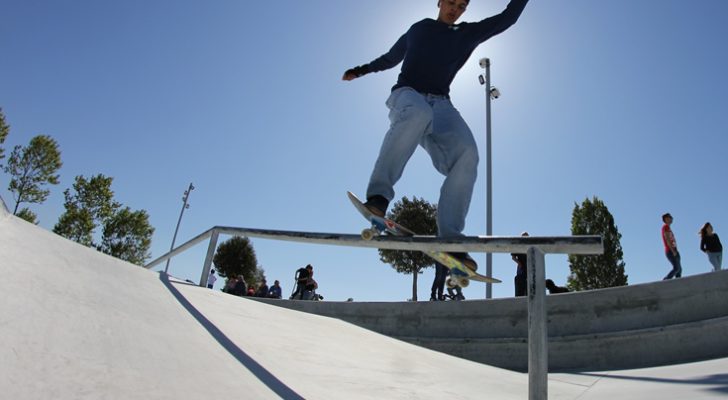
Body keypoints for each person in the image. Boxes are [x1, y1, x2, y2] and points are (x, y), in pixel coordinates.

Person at [343, 0, 529, 273]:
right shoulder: (418, 29)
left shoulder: (468, 33)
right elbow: (390, 58)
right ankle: (379, 199)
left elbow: (507, 18)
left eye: (462, 6)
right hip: (407, 96)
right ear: (439, 2)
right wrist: (361, 70)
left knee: (467, 153)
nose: (455, 9)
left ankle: (451, 239)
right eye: (451, 2)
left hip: (442, 105)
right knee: (419, 113)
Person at [661, 213, 682, 280]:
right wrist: (673, 251)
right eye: (670, 217)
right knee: (676, 268)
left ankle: (678, 280)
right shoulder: (665, 227)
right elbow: (667, 239)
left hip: (674, 250)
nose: (671, 218)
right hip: (670, 250)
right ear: (666, 219)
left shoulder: (668, 228)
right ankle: (666, 279)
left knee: (679, 269)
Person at [511, 232, 529, 297]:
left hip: (529, 266)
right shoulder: (518, 246)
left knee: (529, 283)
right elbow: (513, 257)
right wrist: (519, 263)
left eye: (527, 237)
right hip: (521, 268)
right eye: (524, 237)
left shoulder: (530, 246)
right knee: (520, 282)